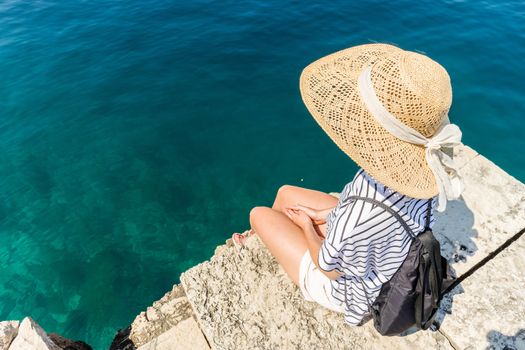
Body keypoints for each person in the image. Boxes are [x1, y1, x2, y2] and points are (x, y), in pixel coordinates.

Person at [232, 43, 463, 326]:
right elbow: (380, 215)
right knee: (286, 193)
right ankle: (277, 231)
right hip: (384, 245)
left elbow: (329, 269)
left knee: (258, 214)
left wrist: (307, 226)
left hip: (351, 290)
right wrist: (329, 217)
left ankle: (267, 234)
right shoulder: (432, 171)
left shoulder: (361, 209)